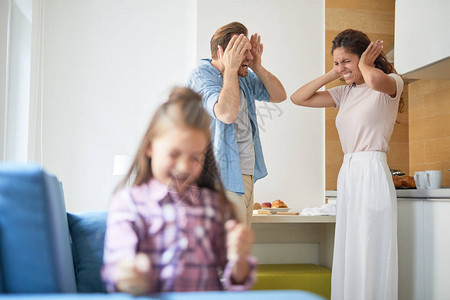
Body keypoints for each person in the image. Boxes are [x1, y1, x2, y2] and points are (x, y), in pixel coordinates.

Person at [101, 87, 256, 295]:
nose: (183, 168)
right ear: (149, 147)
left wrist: (239, 260)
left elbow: (236, 280)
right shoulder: (128, 203)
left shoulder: (214, 205)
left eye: (195, 157)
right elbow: (117, 269)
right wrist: (131, 274)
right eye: (174, 154)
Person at [291, 29, 404, 300]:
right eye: (336, 62)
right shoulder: (344, 93)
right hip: (349, 172)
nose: (342, 67)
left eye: (346, 61)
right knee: (351, 248)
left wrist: (364, 64)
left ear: (365, 56)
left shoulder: (392, 82)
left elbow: (376, 82)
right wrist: (334, 73)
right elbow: (298, 98)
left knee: (371, 246)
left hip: (372, 170)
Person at [187, 22, 287, 227]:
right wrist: (231, 69)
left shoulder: (244, 77)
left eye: (249, 52)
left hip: (245, 174)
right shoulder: (202, 75)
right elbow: (225, 113)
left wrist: (257, 66)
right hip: (218, 178)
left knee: (240, 247)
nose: (249, 57)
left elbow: (279, 96)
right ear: (222, 52)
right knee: (227, 250)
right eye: (243, 52)